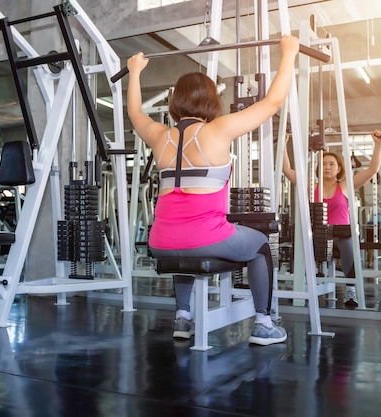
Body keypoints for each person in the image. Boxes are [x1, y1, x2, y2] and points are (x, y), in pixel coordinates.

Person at [127, 35, 300, 346]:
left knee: (184, 243)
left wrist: (135, 71)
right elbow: (273, 102)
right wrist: (289, 53)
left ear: (172, 102)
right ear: (212, 102)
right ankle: (263, 323)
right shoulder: (218, 130)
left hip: (160, 242)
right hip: (206, 237)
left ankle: (182, 316)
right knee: (260, 244)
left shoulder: (158, 135)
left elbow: (135, 113)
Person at [282, 130, 381, 307]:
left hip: (341, 235)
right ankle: (305, 285)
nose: (327, 167)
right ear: (318, 168)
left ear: (339, 169)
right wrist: (283, 144)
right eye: (323, 164)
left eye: (331, 164)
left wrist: (378, 144)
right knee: (301, 244)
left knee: (347, 245)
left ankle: (350, 290)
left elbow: (372, 169)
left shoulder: (345, 186)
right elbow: (286, 170)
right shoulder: (310, 185)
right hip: (317, 235)